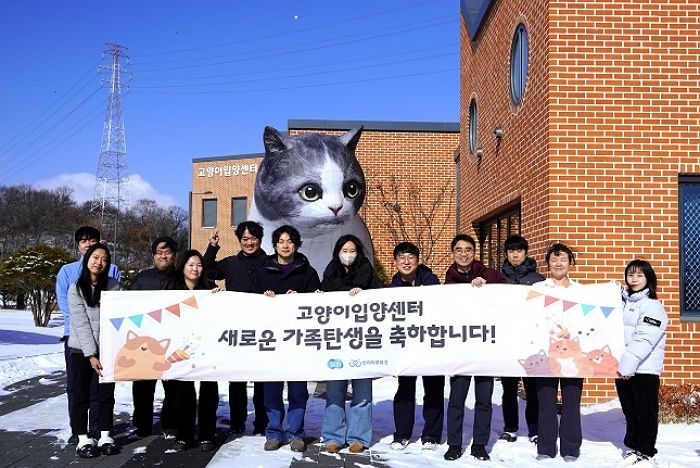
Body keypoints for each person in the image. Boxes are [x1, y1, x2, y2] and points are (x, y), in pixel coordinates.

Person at [250, 225, 321, 452]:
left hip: (298, 342)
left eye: (290, 241)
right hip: (271, 344)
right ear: (275, 245)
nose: (285, 245)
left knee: (298, 392)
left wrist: (303, 299)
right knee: (271, 392)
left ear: (296, 245)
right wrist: (264, 299)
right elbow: (249, 303)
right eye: (281, 241)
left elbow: (318, 306)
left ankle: (296, 433)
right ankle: (273, 432)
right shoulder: (263, 272)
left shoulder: (307, 273)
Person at [443, 234, 506, 462]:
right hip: (460, 349)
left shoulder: (487, 273)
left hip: (484, 348)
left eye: (468, 250)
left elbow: (507, 291)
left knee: (484, 400)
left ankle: (479, 444)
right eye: (459, 250)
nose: (463, 254)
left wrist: (486, 287)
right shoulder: (448, 280)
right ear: (453, 253)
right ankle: (454, 444)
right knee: (457, 400)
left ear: (474, 252)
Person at [55, 226, 121, 445]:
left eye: (92, 240)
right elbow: (69, 309)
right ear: (78, 246)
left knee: (102, 389)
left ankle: (99, 431)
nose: (88, 244)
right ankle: (79, 432)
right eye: (83, 241)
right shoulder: (68, 274)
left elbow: (119, 309)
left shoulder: (113, 275)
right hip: (76, 337)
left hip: (106, 341)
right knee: (76, 388)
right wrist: (84, 342)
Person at [203, 221, 268, 436]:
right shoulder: (231, 263)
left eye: (253, 239)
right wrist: (212, 247)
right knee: (237, 380)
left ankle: (262, 421)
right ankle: (237, 420)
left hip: (263, 330)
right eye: (245, 239)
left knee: (261, 380)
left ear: (260, 239)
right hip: (236, 330)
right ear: (240, 241)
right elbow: (209, 269)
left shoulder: (270, 263)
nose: (249, 243)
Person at [320, 235, 383, 454]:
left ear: (358, 252)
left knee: (362, 392)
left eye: (352, 250)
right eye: (344, 250)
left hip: (363, 343)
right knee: (335, 391)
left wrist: (364, 294)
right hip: (337, 344)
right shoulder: (330, 273)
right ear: (338, 252)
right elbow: (320, 300)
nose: (348, 254)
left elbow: (382, 300)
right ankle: (333, 436)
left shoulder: (368, 273)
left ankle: (358, 437)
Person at [388, 241, 443, 452]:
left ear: (418, 261)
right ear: (395, 262)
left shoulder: (431, 281)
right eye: (402, 257)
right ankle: (402, 435)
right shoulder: (392, 288)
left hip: (430, 345)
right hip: (406, 348)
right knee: (405, 390)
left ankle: (431, 435)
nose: (406, 261)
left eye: (411, 257)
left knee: (434, 389)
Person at [615, 259, 668, 466]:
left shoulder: (652, 306)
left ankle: (646, 450)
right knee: (630, 410)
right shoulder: (626, 302)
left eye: (639, 275)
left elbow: (645, 339)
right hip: (624, 368)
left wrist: (628, 366)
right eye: (630, 275)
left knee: (645, 412)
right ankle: (634, 446)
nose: (634, 279)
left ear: (648, 278)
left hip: (644, 370)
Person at [534, 242, 583, 462]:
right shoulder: (538, 289)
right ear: (548, 264)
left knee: (571, 402)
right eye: (554, 260)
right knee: (546, 402)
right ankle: (545, 447)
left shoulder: (581, 290)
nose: (558, 263)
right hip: (546, 353)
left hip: (574, 354)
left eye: (563, 259)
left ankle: (570, 448)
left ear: (570, 263)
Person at [169, 249, 220, 452]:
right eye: (190, 264)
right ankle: (184, 436)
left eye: (198, 265)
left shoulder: (210, 289)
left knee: (209, 393)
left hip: (206, 348)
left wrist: (219, 298)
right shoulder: (172, 290)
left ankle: (207, 435)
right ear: (182, 267)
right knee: (182, 395)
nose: (195, 269)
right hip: (180, 349)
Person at [129, 236, 179, 439]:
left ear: (174, 255)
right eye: (159, 252)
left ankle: (171, 423)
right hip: (145, 342)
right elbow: (128, 306)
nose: (163, 256)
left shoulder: (181, 277)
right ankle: (142, 425)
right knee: (143, 387)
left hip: (174, 341)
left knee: (174, 387)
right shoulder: (142, 278)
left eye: (167, 252)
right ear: (153, 256)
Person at [498, 234, 544, 444]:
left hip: (531, 342)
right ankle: (510, 428)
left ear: (526, 252)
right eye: (511, 251)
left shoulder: (539, 281)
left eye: (519, 251)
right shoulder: (497, 280)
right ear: (506, 254)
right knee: (508, 389)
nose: (515, 255)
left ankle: (534, 429)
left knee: (532, 389)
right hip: (508, 342)